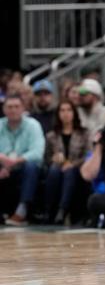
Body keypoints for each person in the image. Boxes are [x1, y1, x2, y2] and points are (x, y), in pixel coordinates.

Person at [0, 95, 45, 226]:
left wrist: (15, 162)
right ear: (4, 109)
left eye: (16, 106)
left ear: (23, 108)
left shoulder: (33, 125)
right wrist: (2, 161)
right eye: (9, 107)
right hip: (3, 167)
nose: (13, 110)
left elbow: (37, 153)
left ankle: (22, 210)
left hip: (24, 168)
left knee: (31, 166)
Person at [44, 101, 91, 224]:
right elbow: (46, 158)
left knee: (69, 171)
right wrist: (53, 158)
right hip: (57, 168)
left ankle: (62, 209)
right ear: (58, 114)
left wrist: (73, 164)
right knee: (54, 170)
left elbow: (88, 155)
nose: (66, 113)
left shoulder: (84, 133)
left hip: (78, 169)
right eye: (62, 110)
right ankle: (50, 210)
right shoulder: (51, 136)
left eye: (69, 110)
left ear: (74, 113)